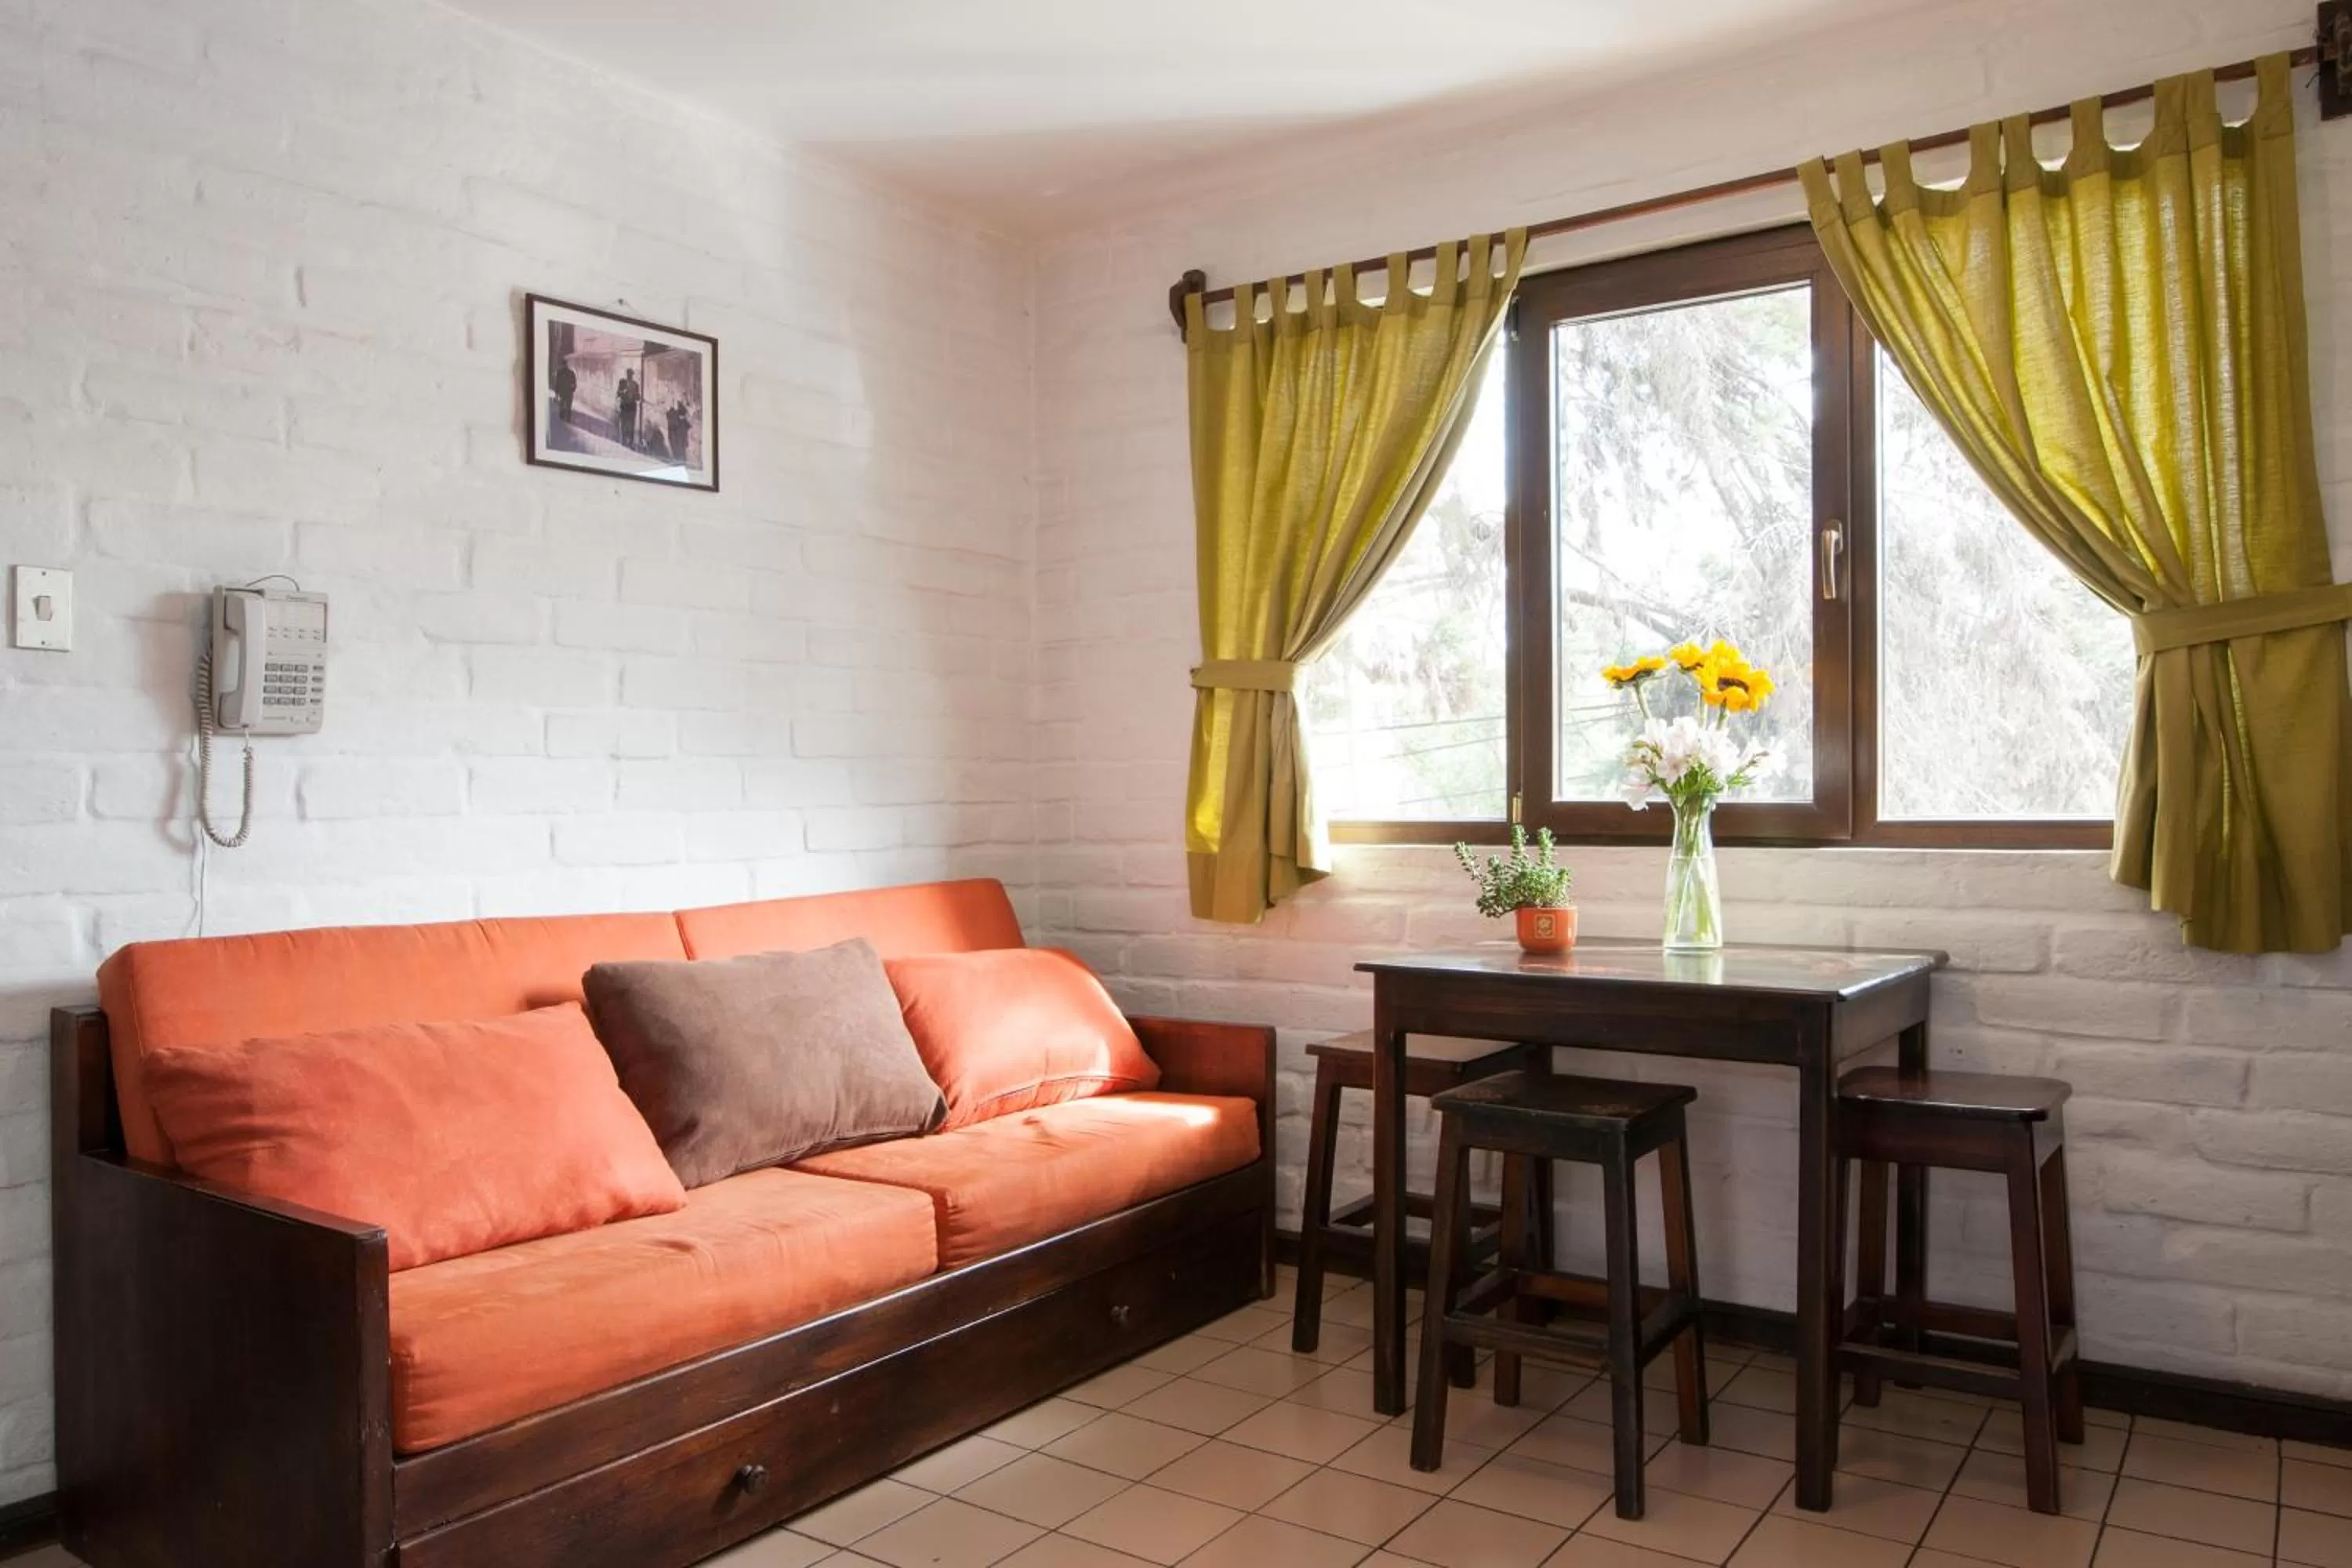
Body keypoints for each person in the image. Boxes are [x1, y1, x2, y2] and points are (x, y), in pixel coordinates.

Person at [615, 368, 641, 449]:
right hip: (624, 407)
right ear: (627, 374)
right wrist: (624, 392)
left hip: (632, 407)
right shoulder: (622, 382)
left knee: (632, 425)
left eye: (631, 374)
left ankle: (631, 442)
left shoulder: (635, 384)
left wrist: (635, 395)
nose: (630, 375)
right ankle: (623, 441)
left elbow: (638, 397)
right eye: (629, 374)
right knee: (624, 424)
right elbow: (618, 393)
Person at [550, 357, 577, 425]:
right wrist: (573, 389)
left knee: (562, 404)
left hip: (562, 392)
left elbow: (557, 383)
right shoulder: (571, 372)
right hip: (569, 392)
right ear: (566, 364)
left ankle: (563, 416)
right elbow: (574, 382)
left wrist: (556, 393)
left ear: (562, 365)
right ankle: (567, 417)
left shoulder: (559, 373)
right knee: (568, 405)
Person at [667, 400, 691, 466]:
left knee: (679, 451)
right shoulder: (677, 419)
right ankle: (680, 463)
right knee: (679, 451)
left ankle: (680, 463)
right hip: (677, 438)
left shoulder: (678, 420)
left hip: (678, 439)